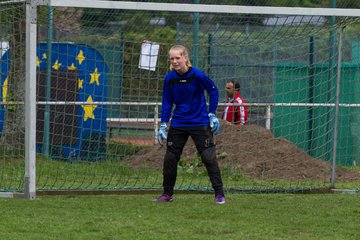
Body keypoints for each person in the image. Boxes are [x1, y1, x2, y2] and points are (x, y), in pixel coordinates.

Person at [153, 45, 225, 204]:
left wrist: (212, 114)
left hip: (199, 122)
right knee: (170, 158)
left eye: (177, 57)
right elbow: (167, 102)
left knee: (208, 157)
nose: (175, 61)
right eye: (172, 58)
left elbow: (213, 91)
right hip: (178, 123)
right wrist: (164, 124)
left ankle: (219, 194)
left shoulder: (198, 75)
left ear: (185, 57)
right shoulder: (169, 78)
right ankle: (167, 194)